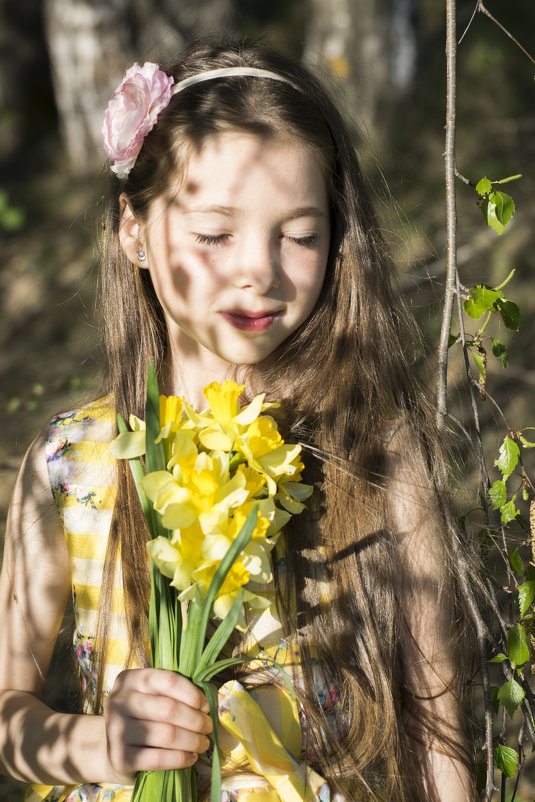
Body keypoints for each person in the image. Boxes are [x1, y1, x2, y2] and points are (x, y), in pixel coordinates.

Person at [0, 37, 478, 801]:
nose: (258, 268)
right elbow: (8, 718)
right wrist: (96, 743)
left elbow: (435, 733)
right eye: (215, 234)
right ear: (134, 231)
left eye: (299, 234)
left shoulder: (370, 453)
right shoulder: (69, 465)